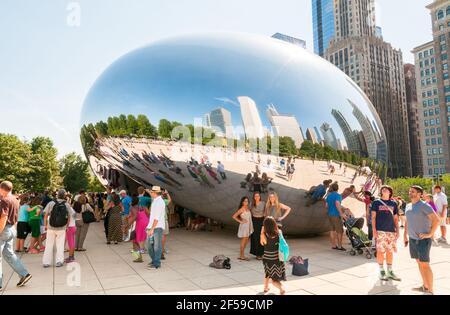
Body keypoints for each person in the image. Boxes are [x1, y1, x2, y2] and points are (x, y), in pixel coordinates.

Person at [404, 185, 440, 295]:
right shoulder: (408, 205)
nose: (410, 193)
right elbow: (407, 221)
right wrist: (405, 235)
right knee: (419, 263)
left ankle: (430, 290)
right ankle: (425, 286)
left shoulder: (424, 206)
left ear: (420, 194)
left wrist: (430, 234)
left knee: (425, 265)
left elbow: (436, 220)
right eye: (410, 191)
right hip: (412, 240)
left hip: (423, 241)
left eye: (413, 191)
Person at [0, 181, 32, 289]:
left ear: (2, 188)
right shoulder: (15, 199)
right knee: (9, 254)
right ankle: (24, 274)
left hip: (3, 230)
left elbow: (3, 217)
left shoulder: (4, 200)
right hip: (11, 229)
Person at [371, 185, 401, 281]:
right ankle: (381, 271)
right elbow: (373, 217)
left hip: (391, 231)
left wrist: (398, 230)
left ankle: (390, 271)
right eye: (383, 189)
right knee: (380, 251)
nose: (384, 189)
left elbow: (396, 218)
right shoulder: (376, 202)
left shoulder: (394, 203)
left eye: (386, 189)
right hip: (380, 231)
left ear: (390, 192)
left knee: (390, 251)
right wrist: (374, 230)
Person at [43, 189, 75, 268]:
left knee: (49, 245)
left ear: (57, 195)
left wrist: (45, 225)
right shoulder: (67, 204)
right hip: (62, 228)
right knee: (60, 245)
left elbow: (46, 215)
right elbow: (70, 216)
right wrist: (67, 226)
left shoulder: (51, 203)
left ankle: (46, 262)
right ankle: (59, 261)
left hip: (51, 227)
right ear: (64, 196)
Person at [260, 216, 286, 295]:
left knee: (272, 278)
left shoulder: (264, 234)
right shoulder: (279, 232)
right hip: (277, 258)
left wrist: (261, 232)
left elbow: (262, 243)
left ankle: (281, 289)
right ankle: (265, 287)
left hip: (268, 258)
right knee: (268, 273)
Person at [146, 186, 166, 269]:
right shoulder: (155, 200)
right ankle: (154, 260)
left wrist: (152, 229)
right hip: (152, 226)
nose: (151, 193)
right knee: (150, 246)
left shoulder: (159, 202)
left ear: (155, 193)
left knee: (157, 246)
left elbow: (156, 218)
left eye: (152, 192)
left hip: (157, 227)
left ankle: (156, 263)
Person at [325, 182, 346, 251]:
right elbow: (337, 203)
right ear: (337, 188)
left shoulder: (329, 196)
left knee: (332, 230)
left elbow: (326, 206)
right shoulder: (338, 195)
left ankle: (333, 245)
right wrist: (341, 213)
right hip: (336, 215)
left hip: (330, 214)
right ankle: (339, 246)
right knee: (340, 231)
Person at [128, 196, 150, 263]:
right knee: (137, 239)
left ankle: (138, 257)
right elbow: (148, 214)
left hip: (139, 224)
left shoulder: (132, 207)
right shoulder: (143, 206)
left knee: (135, 240)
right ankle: (139, 256)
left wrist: (127, 225)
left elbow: (133, 217)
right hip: (146, 223)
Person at [232, 196, 254, 261]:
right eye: (244, 201)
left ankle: (242, 255)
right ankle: (242, 256)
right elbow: (234, 216)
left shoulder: (247, 208)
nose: (246, 202)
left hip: (248, 226)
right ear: (242, 202)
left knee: (246, 241)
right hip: (244, 226)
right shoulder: (241, 209)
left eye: (247, 201)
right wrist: (241, 221)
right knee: (243, 241)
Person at [250, 192, 265, 260]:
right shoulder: (251, 204)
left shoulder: (263, 203)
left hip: (261, 220)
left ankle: (261, 253)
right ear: (254, 197)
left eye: (258, 196)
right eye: (255, 196)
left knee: (261, 236)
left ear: (260, 197)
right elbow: (249, 213)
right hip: (254, 221)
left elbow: (266, 212)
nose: (257, 197)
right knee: (255, 237)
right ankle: (257, 254)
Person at [65, 199, 77, 263]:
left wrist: (66, 227)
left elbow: (68, 219)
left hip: (69, 227)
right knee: (72, 242)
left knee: (70, 243)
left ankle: (70, 257)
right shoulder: (73, 210)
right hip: (73, 226)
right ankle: (72, 256)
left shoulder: (69, 211)